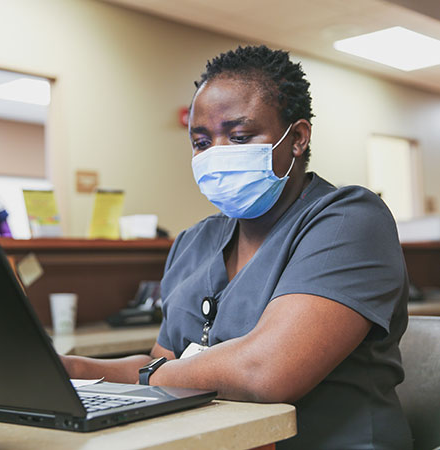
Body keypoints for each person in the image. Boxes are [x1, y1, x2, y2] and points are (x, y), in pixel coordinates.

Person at [62, 45, 412, 449]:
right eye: (201, 142)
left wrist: (156, 376)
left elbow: (265, 372)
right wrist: (70, 368)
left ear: (297, 138)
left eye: (240, 136)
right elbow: (163, 363)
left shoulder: (350, 220)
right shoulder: (194, 243)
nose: (217, 155)